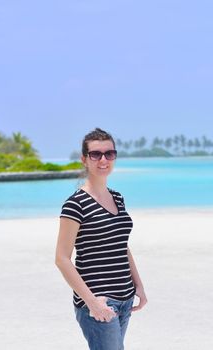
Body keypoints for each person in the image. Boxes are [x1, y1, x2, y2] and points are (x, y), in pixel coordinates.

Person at [55, 127, 147, 350]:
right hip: (99, 302)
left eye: (109, 154)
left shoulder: (117, 197)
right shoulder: (75, 204)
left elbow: (121, 245)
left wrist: (139, 286)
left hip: (125, 298)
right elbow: (62, 259)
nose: (103, 159)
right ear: (84, 159)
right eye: (96, 154)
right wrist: (92, 303)